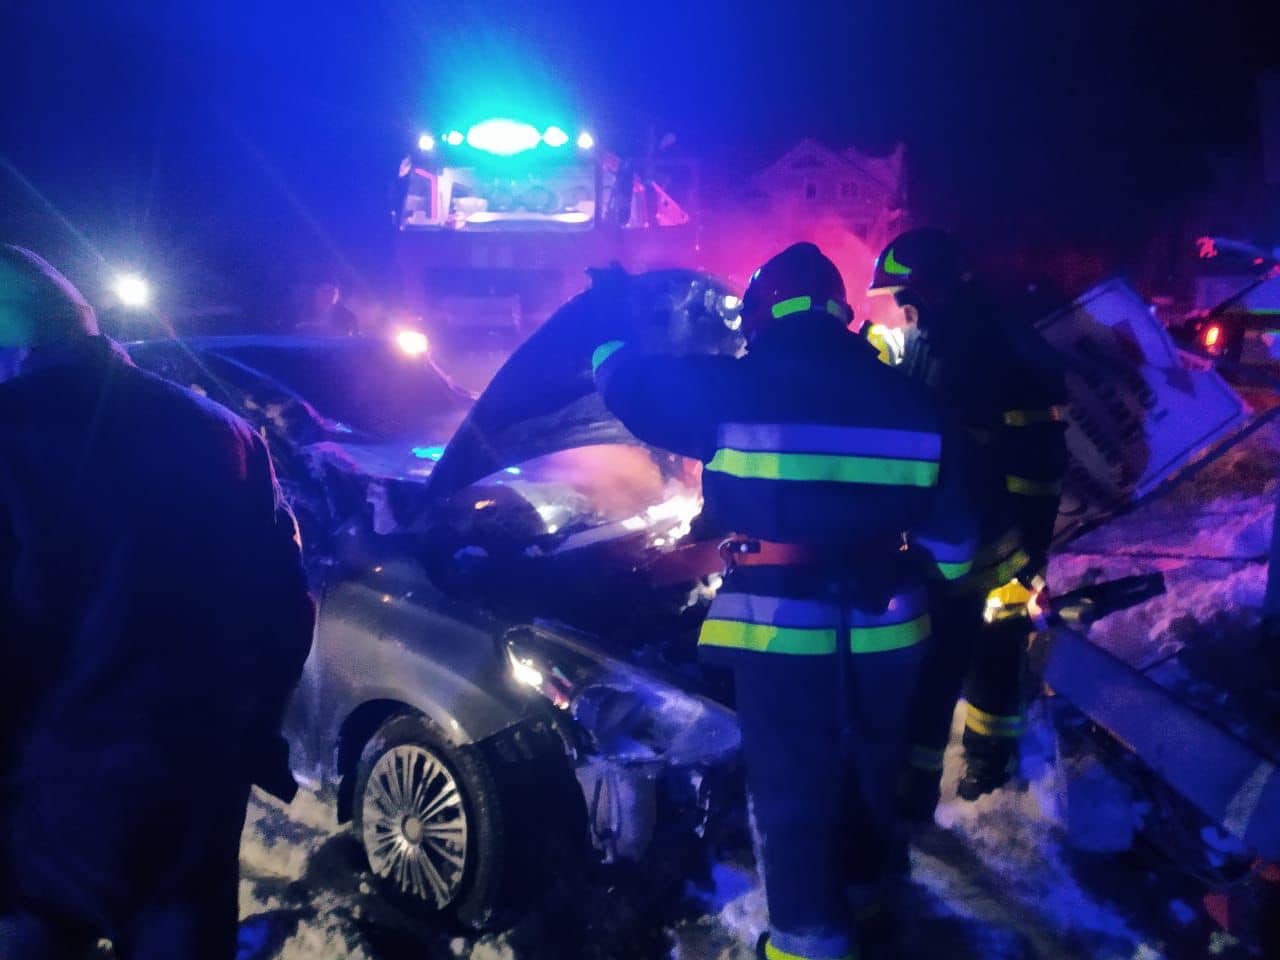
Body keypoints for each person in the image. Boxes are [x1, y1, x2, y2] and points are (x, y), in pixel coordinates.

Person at [593, 243, 976, 959]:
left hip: (779, 633)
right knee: (871, 772)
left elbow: (630, 389)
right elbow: (956, 549)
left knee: (794, 792)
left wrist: (605, 326)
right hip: (891, 631)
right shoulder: (917, 402)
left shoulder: (734, 387)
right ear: (841, 313)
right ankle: (866, 902)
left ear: (763, 315)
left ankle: (808, 944)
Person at [0, 246, 314, 959]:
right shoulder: (220, 431)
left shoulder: (11, 439)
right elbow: (285, 606)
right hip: (194, 786)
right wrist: (246, 734)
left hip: (45, 802)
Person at [867, 228, 1069, 817]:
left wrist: (1027, 551)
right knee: (981, 655)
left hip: (986, 541)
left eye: (909, 297)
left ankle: (934, 787)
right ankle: (981, 772)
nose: (904, 310)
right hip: (960, 535)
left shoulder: (997, 348)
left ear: (938, 287)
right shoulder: (939, 339)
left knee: (951, 661)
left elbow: (1038, 461)